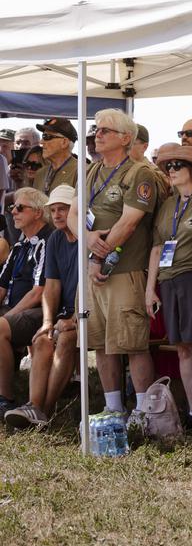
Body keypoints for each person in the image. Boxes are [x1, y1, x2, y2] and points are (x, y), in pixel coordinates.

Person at [67, 108, 160, 425]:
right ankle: (114, 408)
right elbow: (72, 215)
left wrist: (97, 257)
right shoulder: (90, 171)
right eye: (96, 129)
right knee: (101, 342)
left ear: (125, 138)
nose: (97, 134)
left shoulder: (139, 174)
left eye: (105, 129)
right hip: (93, 272)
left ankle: (144, 411)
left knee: (132, 342)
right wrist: (88, 237)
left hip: (125, 270)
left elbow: (130, 222)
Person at [146, 145, 192, 430]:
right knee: (182, 349)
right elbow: (156, 248)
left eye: (178, 165)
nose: (171, 171)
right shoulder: (167, 205)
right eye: (168, 167)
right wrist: (149, 288)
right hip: (169, 281)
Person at [4, 186, 77, 428]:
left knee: (66, 338)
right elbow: (52, 287)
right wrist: (47, 321)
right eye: (53, 210)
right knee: (42, 339)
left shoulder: (86, 238)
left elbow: (91, 286)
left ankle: (42, 410)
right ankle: (34, 407)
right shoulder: (56, 238)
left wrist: (74, 317)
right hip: (58, 313)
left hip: (85, 313)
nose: (56, 215)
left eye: (63, 209)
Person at [0, 188, 53, 415]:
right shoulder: (21, 245)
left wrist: (7, 316)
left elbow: (38, 292)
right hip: (15, 308)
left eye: (20, 207)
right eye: (12, 207)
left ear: (38, 212)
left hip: (38, 311)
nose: (13, 212)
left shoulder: (47, 241)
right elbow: (1, 286)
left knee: (0, 326)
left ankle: (6, 398)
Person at [34, 118, 78, 195]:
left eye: (46, 137)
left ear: (64, 142)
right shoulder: (40, 173)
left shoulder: (82, 171)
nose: (41, 142)